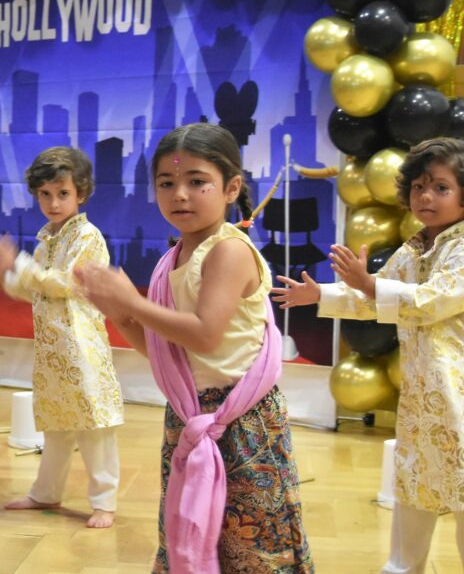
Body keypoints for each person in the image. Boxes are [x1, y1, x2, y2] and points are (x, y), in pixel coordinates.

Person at [75, 123, 312, 573]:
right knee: (191, 530)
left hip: (242, 421)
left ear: (231, 188)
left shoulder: (228, 251)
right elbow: (163, 349)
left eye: (196, 181)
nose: (180, 194)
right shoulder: (174, 257)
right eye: (167, 183)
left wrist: (132, 303)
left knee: (253, 540)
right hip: (187, 414)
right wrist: (119, 313)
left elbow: (205, 333)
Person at [274, 136, 464, 574]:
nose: (426, 196)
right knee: (414, 484)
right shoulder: (417, 246)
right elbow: (371, 295)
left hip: (456, 394)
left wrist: (370, 285)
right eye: (418, 187)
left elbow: (430, 300)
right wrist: (318, 293)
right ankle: (402, 567)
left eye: (440, 187)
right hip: (423, 397)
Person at [0, 147, 125, 528]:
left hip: (80, 346)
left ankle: (105, 501)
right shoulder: (46, 240)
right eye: (46, 194)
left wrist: (19, 263)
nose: (53, 202)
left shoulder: (87, 236)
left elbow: (64, 283)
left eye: (63, 193)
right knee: (56, 425)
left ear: (81, 193)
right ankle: (45, 492)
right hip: (53, 350)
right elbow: (36, 288)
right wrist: (8, 275)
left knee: (93, 425)